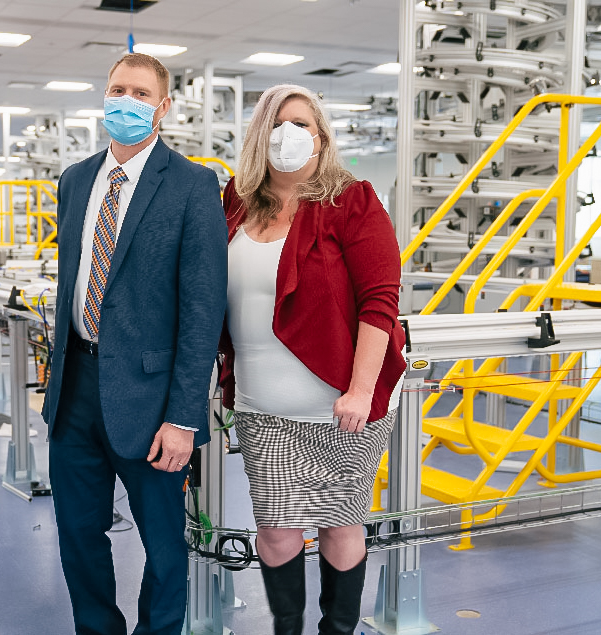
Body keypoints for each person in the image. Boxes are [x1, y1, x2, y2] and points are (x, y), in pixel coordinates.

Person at [41, 52, 228, 635]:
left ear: (163, 107)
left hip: (151, 399)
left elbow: (203, 311)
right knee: (77, 536)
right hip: (74, 388)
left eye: (140, 94)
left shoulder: (194, 185)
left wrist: (183, 417)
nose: (126, 101)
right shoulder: (74, 181)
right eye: (117, 90)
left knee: (164, 547)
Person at [219, 84, 406, 635]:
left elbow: (381, 300)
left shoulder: (352, 200)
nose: (289, 134)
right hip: (261, 404)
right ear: (259, 135)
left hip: (341, 405)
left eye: (302, 123)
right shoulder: (235, 201)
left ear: (322, 139)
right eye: (277, 122)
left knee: (339, 525)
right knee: (275, 530)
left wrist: (361, 391)